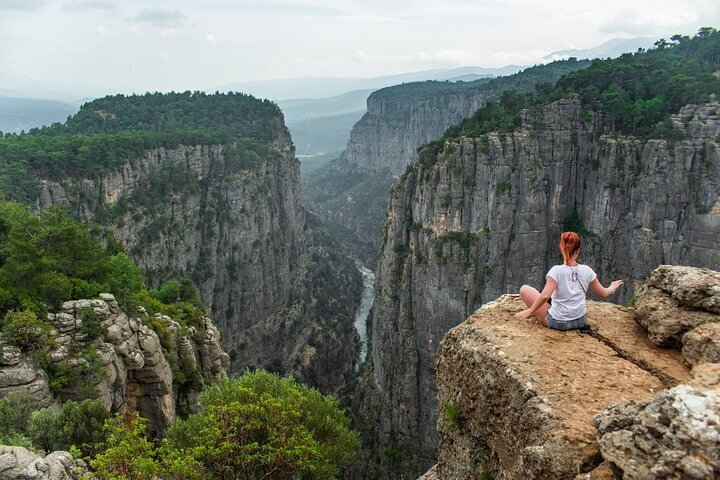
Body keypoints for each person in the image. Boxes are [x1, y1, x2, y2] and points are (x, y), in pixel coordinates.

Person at [514, 231, 624, 330]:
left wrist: (530, 311)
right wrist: (612, 286)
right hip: (580, 321)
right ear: (579, 250)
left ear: (561, 247)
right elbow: (603, 293)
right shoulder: (587, 270)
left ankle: (539, 312)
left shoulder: (556, 271)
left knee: (525, 289)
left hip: (558, 323)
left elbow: (544, 296)